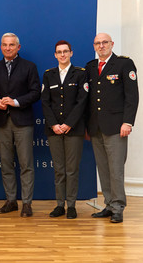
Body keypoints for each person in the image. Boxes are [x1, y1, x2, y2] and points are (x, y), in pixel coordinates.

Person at [86, 33, 138, 223]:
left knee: (116, 169)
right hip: (96, 127)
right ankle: (108, 204)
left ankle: (118, 207)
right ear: (94, 46)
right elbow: (89, 100)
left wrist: (128, 122)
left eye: (105, 42)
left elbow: (132, 96)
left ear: (112, 44)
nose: (101, 46)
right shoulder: (91, 67)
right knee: (104, 168)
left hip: (116, 127)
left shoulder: (124, 64)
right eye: (98, 43)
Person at [0, 33, 40, 217]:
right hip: (2, 121)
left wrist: (16, 101)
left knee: (26, 164)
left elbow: (35, 93)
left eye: (11, 45)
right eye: (4, 45)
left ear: (18, 47)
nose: (8, 48)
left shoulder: (29, 67)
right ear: (1, 47)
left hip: (22, 121)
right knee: (6, 163)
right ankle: (11, 200)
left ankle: (27, 203)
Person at [41, 40, 89, 219]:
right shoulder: (49, 75)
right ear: (55, 55)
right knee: (59, 169)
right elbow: (45, 102)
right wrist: (54, 124)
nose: (62, 55)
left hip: (73, 129)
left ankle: (71, 205)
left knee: (72, 169)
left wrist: (68, 124)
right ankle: (60, 204)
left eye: (65, 51)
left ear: (71, 53)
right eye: (59, 52)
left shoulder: (80, 74)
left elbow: (81, 101)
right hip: (54, 129)